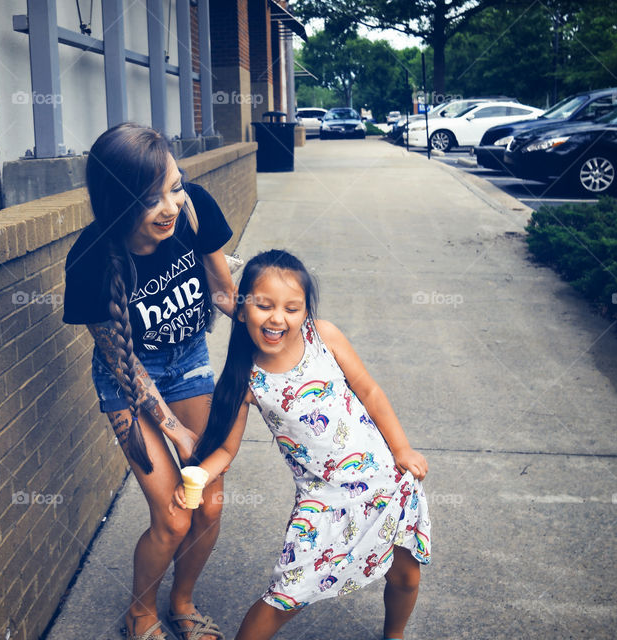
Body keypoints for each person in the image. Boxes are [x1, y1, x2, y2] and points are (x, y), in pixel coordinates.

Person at [172, 250, 431, 640]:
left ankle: (394, 636)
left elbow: (369, 390)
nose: (278, 318)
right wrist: (197, 476)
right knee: (285, 597)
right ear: (241, 309)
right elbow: (225, 451)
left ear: (305, 313)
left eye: (292, 308)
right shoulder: (246, 380)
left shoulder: (323, 336)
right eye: (264, 305)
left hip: (385, 482)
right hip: (322, 501)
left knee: (406, 576)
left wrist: (402, 449)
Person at [63, 123, 236, 640]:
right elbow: (121, 360)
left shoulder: (193, 209)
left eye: (175, 186)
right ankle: (141, 611)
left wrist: (288, 339)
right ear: (118, 202)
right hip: (128, 378)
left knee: (209, 500)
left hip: (189, 361)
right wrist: (175, 431)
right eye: (150, 197)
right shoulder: (91, 259)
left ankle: (182, 601)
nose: (170, 206)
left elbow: (226, 295)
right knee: (173, 516)